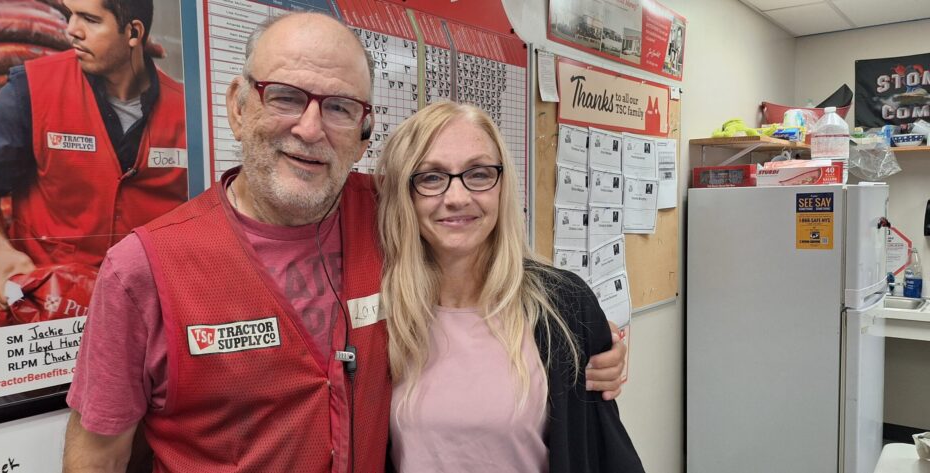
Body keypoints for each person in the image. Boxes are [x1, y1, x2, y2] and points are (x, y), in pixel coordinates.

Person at [63, 12, 627, 472]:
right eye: (284, 96)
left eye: (338, 107)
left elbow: (478, 245)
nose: (310, 129)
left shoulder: (393, 210)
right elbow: (99, 455)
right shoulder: (143, 268)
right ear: (238, 105)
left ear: (363, 133)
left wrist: (590, 337)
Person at [377, 102, 643, 472]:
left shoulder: (563, 306)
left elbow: (603, 452)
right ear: (404, 194)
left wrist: (601, 341)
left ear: (503, 186)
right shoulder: (377, 311)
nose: (457, 197)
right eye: (431, 178)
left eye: (480, 174)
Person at [0, 0, 187, 310]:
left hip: (146, 308)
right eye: (70, 16)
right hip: (48, 306)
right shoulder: (32, 88)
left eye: (90, 20)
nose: (71, 30)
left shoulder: (187, 112)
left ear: (133, 33)